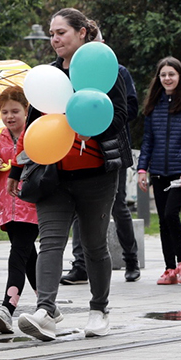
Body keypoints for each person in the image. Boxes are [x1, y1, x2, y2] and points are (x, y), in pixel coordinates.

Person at [8, 7, 129, 342]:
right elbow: (32, 127)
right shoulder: (47, 77)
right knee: (50, 243)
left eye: (61, 32)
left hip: (97, 175)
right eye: (51, 33)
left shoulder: (107, 71)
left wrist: (85, 120)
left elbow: (120, 117)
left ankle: (99, 309)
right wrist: (17, 169)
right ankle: (45, 311)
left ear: (82, 33)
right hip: (53, 176)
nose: (54, 39)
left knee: (93, 245)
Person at [61, 58, 141, 285]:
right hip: (77, 149)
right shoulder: (69, 71)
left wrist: (98, 117)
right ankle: (80, 265)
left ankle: (131, 259)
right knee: (79, 206)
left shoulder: (117, 71)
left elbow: (130, 109)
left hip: (111, 150)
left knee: (118, 205)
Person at [137, 57, 181, 285]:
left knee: (170, 214)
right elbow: (148, 141)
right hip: (157, 170)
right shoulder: (153, 105)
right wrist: (142, 169)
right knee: (163, 222)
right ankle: (169, 269)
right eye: (163, 75)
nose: (167, 78)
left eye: (172, 74)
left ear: (180, 76)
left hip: (179, 171)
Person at [0, 86, 38, 334]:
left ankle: (7, 308)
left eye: (15, 111)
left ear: (27, 110)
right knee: (29, 259)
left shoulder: (35, 135)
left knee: (18, 254)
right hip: (7, 209)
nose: (9, 116)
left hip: (30, 206)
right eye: (4, 112)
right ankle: (49, 305)